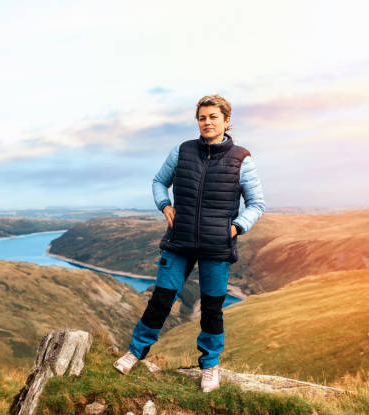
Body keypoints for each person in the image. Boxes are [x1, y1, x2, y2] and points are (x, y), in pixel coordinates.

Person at [113, 94, 265, 393]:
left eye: (213, 117)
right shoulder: (182, 151)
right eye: (202, 117)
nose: (207, 122)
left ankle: (209, 367)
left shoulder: (241, 158)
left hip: (216, 246)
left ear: (226, 121)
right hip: (178, 242)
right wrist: (164, 205)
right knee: (161, 301)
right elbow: (159, 181)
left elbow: (256, 204)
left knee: (211, 308)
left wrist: (235, 227)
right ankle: (135, 353)